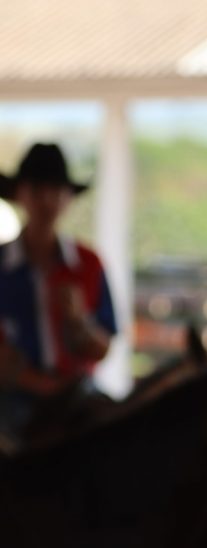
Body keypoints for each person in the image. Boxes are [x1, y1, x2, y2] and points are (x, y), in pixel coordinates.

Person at [0, 143, 117, 451]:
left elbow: (103, 346)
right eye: (38, 189)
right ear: (20, 194)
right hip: (13, 400)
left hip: (77, 396)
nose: (47, 200)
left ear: (67, 197)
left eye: (56, 190)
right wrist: (39, 384)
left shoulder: (88, 264)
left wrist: (79, 321)